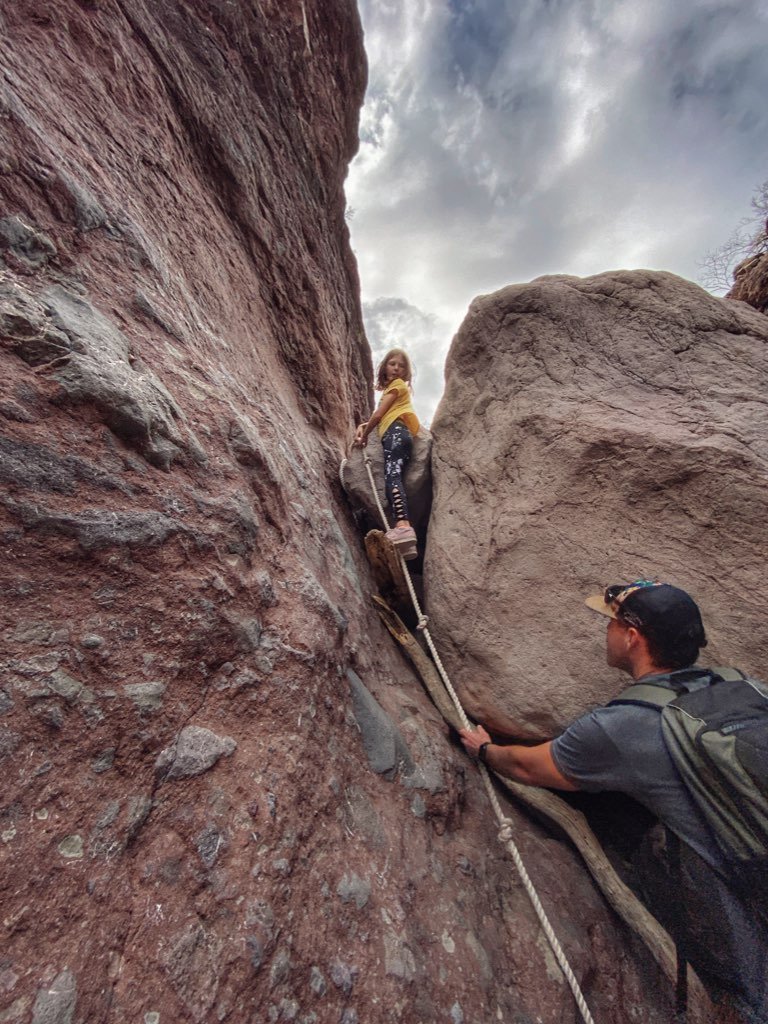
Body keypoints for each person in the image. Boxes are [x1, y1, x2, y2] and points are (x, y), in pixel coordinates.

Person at [460, 580, 767, 1023]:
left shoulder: (624, 726)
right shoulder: (743, 685)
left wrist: (484, 750)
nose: (606, 631)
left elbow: (529, 767)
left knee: (752, 989)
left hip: (735, 881)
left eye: (611, 622)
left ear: (631, 637)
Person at [353, 348, 420, 559]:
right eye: (392, 364)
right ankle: (406, 541)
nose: (397, 368)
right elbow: (384, 414)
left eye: (401, 366)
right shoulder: (391, 390)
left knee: (392, 476)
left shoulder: (397, 386)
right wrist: (364, 425)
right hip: (398, 434)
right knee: (393, 476)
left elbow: (380, 414)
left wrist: (364, 435)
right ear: (385, 367)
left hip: (396, 434)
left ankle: (403, 526)